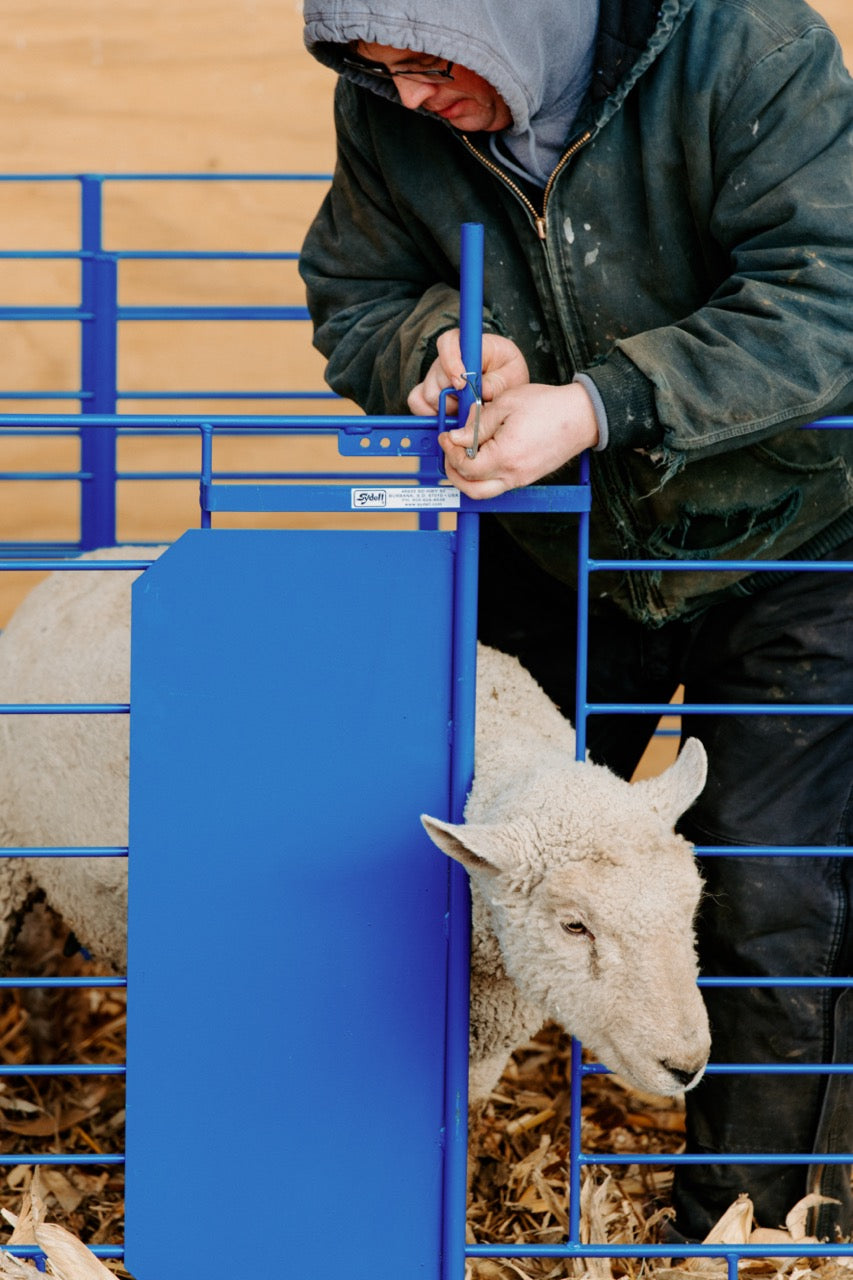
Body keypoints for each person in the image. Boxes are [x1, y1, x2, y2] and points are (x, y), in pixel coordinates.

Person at [298, 0, 853, 1243]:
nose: (409, 99)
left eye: (429, 61)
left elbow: (834, 293)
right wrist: (436, 347)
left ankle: (750, 1240)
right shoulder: (389, 109)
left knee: (774, 883)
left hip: (791, 540)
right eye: (374, 69)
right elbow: (355, 288)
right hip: (548, 547)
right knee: (466, 864)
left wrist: (601, 403)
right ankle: (403, 1211)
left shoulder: (745, 52)